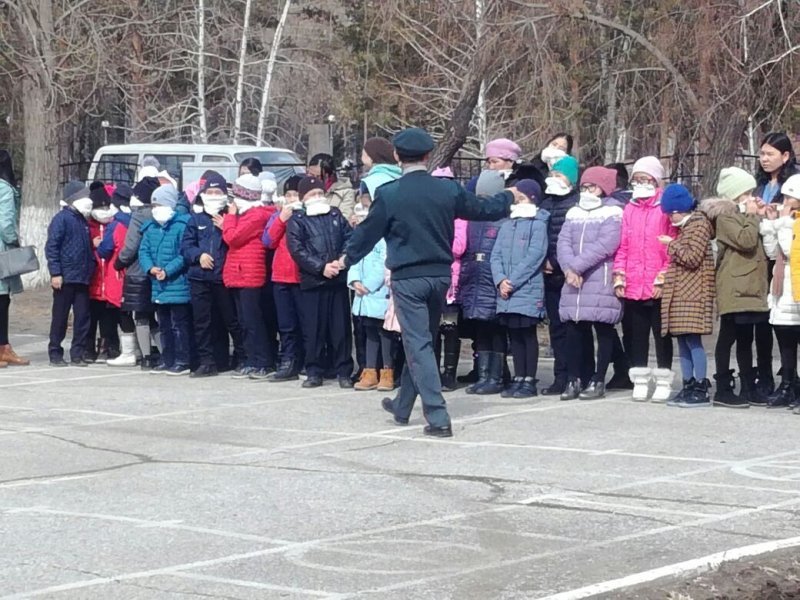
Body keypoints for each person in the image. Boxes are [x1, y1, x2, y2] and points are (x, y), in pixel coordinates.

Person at [340, 127, 518, 438]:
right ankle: (403, 405)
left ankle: (438, 416)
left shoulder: (390, 193)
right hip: (439, 277)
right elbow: (483, 209)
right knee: (421, 340)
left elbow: (366, 234)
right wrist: (508, 195)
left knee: (418, 342)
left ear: (397, 157)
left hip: (408, 279)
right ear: (427, 156)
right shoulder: (446, 190)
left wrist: (345, 260)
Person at [557, 166, 624, 400]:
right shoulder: (574, 212)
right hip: (574, 279)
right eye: (584, 187)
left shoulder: (613, 211)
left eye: (592, 187)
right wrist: (568, 268)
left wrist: (577, 266)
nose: (587, 191)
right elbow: (563, 241)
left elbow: (608, 243)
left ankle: (598, 379)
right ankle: (574, 378)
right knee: (574, 329)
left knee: (603, 328)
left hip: (599, 277)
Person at [612, 156, 676, 401]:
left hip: (657, 283)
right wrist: (620, 275)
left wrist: (663, 278)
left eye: (645, 178)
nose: (640, 183)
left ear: (655, 180)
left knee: (661, 334)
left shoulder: (665, 208)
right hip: (633, 282)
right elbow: (624, 246)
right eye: (636, 179)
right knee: (636, 334)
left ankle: (663, 377)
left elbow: (671, 245)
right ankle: (639, 377)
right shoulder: (629, 208)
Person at [705, 169, 769, 408]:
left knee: (746, 337)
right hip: (733, 285)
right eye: (747, 193)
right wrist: (753, 217)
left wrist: (763, 215)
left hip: (751, 285)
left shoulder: (742, 214)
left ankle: (749, 385)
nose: (751, 197)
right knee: (728, 336)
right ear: (735, 195)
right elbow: (745, 240)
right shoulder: (724, 216)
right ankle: (723, 386)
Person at [287, 176, 354, 388]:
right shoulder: (297, 220)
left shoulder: (335, 214)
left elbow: (349, 239)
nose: (317, 197)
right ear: (303, 197)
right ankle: (314, 371)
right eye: (311, 194)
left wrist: (341, 261)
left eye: (319, 193)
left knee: (340, 329)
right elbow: (297, 250)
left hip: (337, 280)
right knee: (313, 330)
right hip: (313, 281)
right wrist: (321, 267)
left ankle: (343, 370)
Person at [655, 185, 715, 407]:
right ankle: (688, 383)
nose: (670, 218)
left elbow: (692, 258)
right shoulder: (685, 228)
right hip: (681, 294)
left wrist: (672, 245)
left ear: (682, 209)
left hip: (694, 295)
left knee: (693, 340)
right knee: (682, 340)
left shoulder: (698, 226)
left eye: (673, 213)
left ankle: (700, 385)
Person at [181, 171, 245, 377]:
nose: (214, 195)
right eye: (210, 191)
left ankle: (242, 356)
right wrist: (198, 256)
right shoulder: (196, 219)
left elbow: (237, 243)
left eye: (218, 191)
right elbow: (186, 246)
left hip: (224, 278)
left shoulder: (232, 217)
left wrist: (227, 226)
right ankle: (206, 361)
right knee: (202, 321)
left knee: (231, 320)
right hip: (199, 278)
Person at [491, 180, 549, 399]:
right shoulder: (507, 224)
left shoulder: (538, 224)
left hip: (526, 288)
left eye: (521, 198)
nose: (517, 202)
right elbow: (495, 255)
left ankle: (529, 379)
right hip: (506, 290)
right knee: (513, 335)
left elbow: (534, 257)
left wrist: (512, 281)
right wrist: (500, 280)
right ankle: (518, 376)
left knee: (527, 333)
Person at [459, 170, 510, 395]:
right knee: (480, 328)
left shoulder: (505, 220)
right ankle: (482, 375)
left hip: (493, 277)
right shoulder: (472, 219)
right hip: (474, 276)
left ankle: (496, 376)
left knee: (496, 329)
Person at [223, 174, 276, 379]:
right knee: (244, 320)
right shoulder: (244, 215)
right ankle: (251, 359)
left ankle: (263, 361)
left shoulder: (256, 215)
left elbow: (232, 237)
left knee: (253, 321)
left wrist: (229, 217)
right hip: (239, 271)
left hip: (250, 273)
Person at [540, 155, 582, 395]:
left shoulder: (575, 205)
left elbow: (571, 240)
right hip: (548, 274)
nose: (554, 179)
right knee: (556, 329)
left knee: (572, 329)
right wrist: (543, 260)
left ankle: (576, 375)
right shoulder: (546, 204)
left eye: (560, 175)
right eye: (552, 175)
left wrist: (557, 262)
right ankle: (560, 376)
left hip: (567, 272)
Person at [138, 185, 191, 375]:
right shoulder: (150, 227)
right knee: (164, 325)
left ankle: (183, 359)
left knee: (179, 325)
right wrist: (150, 268)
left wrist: (167, 271)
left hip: (177, 285)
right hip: (158, 286)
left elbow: (184, 254)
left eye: (158, 204)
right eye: (153, 205)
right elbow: (143, 251)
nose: (155, 208)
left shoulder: (182, 226)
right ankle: (167, 358)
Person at [759, 173, 800, 408]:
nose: (785, 200)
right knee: (784, 339)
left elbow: (792, 250)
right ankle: (788, 384)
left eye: (790, 196)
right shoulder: (787, 220)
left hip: (795, 288)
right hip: (781, 288)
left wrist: (782, 223)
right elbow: (774, 253)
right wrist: (770, 225)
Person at [45, 181, 96, 367]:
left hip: (82, 277)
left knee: (82, 317)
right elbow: (52, 247)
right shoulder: (62, 219)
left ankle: (78, 354)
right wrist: (55, 272)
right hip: (65, 277)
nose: (88, 200)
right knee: (60, 317)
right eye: (84, 196)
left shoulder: (82, 220)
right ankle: (55, 353)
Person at [115, 176, 162, 370]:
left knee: (142, 316)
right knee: (157, 316)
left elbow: (131, 244)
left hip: (139, 271)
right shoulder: (164, 212)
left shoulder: (140, 215)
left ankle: (147, 356)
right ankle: (165, 352)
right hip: (160, 269)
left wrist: (120, 261)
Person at [263, 175, 305, 381]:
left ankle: (307, 360)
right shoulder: (279, 215)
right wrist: (281, 219)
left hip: (303, 276)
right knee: (286, 324)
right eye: (288, 194)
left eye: (295, 194)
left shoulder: (309, 214)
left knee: (305, 322)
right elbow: (268, 240)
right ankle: (288, 360)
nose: (291, 198)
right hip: (281, 275)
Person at [431, 167, 467, 392]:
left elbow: (459, 246)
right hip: (432, 277)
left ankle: (449, 372)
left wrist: (435, 243)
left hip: (451, 280)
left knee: (450, 327)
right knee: (432, 328)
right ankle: (432, 371)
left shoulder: (459, 215)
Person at [100, 184, 138, 367]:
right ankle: (138, 349)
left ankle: (128, 351)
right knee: (137, 314)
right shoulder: (135, 221)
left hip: (117, 273)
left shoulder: (116, 224)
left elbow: (105, 249)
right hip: (135, 272)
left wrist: (98, 245)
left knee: (122, 313)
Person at [86, 182, 121, 362]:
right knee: (90, 319)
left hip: (110, 282)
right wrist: (92, 245)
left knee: (110, 320)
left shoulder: (113, 225)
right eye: (100, 207)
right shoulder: (87, 226)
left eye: (106, 206)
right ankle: (88, 348)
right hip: (93, 281)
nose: (104, 210)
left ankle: (110, 346)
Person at [0, 150, 29, 367]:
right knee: (2, 299)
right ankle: (3, 348)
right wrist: (15, 241)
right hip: (2, 252)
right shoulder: (5, 189)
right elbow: (6, 224)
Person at [307, 153, 356, 219]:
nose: (313, 180)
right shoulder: (304, 188)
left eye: (318, 177)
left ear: (328, 176)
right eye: (310, 175)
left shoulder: (346, 192)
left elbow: (344, 219)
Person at [756, 132, 799, 205]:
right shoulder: (759, 182)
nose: (764, 159)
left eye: (770, 154)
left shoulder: (796, 183)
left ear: (785, 156)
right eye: (762, 154)